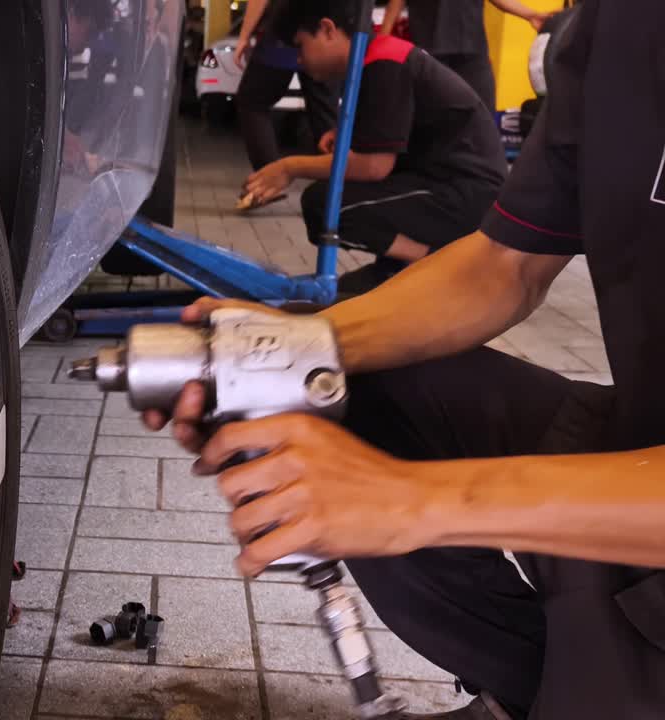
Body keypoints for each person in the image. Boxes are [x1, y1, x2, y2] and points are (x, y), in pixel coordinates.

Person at [144, 1, 665, 717]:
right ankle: (542, 687)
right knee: (343, 388)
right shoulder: (620, 26)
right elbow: (502, 268)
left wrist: (410, 501)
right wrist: (302, 344)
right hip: (639, 443)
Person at [244, 0, 506, 293]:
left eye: (300, 46)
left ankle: (439, 265)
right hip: (446, 183)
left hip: (465, 193)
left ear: (327, 29)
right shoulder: (374, 60)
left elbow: (372, 166)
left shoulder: (384, 63)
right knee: (335, 222)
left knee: (324, 203)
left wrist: (289, 167)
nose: (299, 61)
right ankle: (405, 264)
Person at [232, 0, 339, 185]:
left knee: (252, 100)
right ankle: (337, 182)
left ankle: (269, 178)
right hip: (333, 27)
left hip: (290, 28)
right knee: (325, 114)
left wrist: (244, 36)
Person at [380, 0, 553, 111]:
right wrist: (383, 37)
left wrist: (529, 14)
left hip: (471, 47)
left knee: (482, 112)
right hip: (430, 49)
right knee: (432, 119)